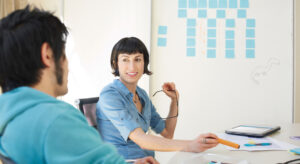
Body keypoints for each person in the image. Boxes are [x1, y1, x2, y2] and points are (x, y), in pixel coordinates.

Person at [0, 6, 157, 164]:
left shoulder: (8, 115)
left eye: (138, 59)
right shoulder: (57, 120)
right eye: (63, 54)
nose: (68, 66)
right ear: (47, 54)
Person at [96, 37, 219, 160]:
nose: (132, 67)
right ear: (115, 63)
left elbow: (167, 133)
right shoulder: (109, 95)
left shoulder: (142, 94)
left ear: (144, 63)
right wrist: (190, 145)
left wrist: (174, 101)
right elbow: (141, 140)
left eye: (137, 59)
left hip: (147, 160)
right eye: (125, 60)